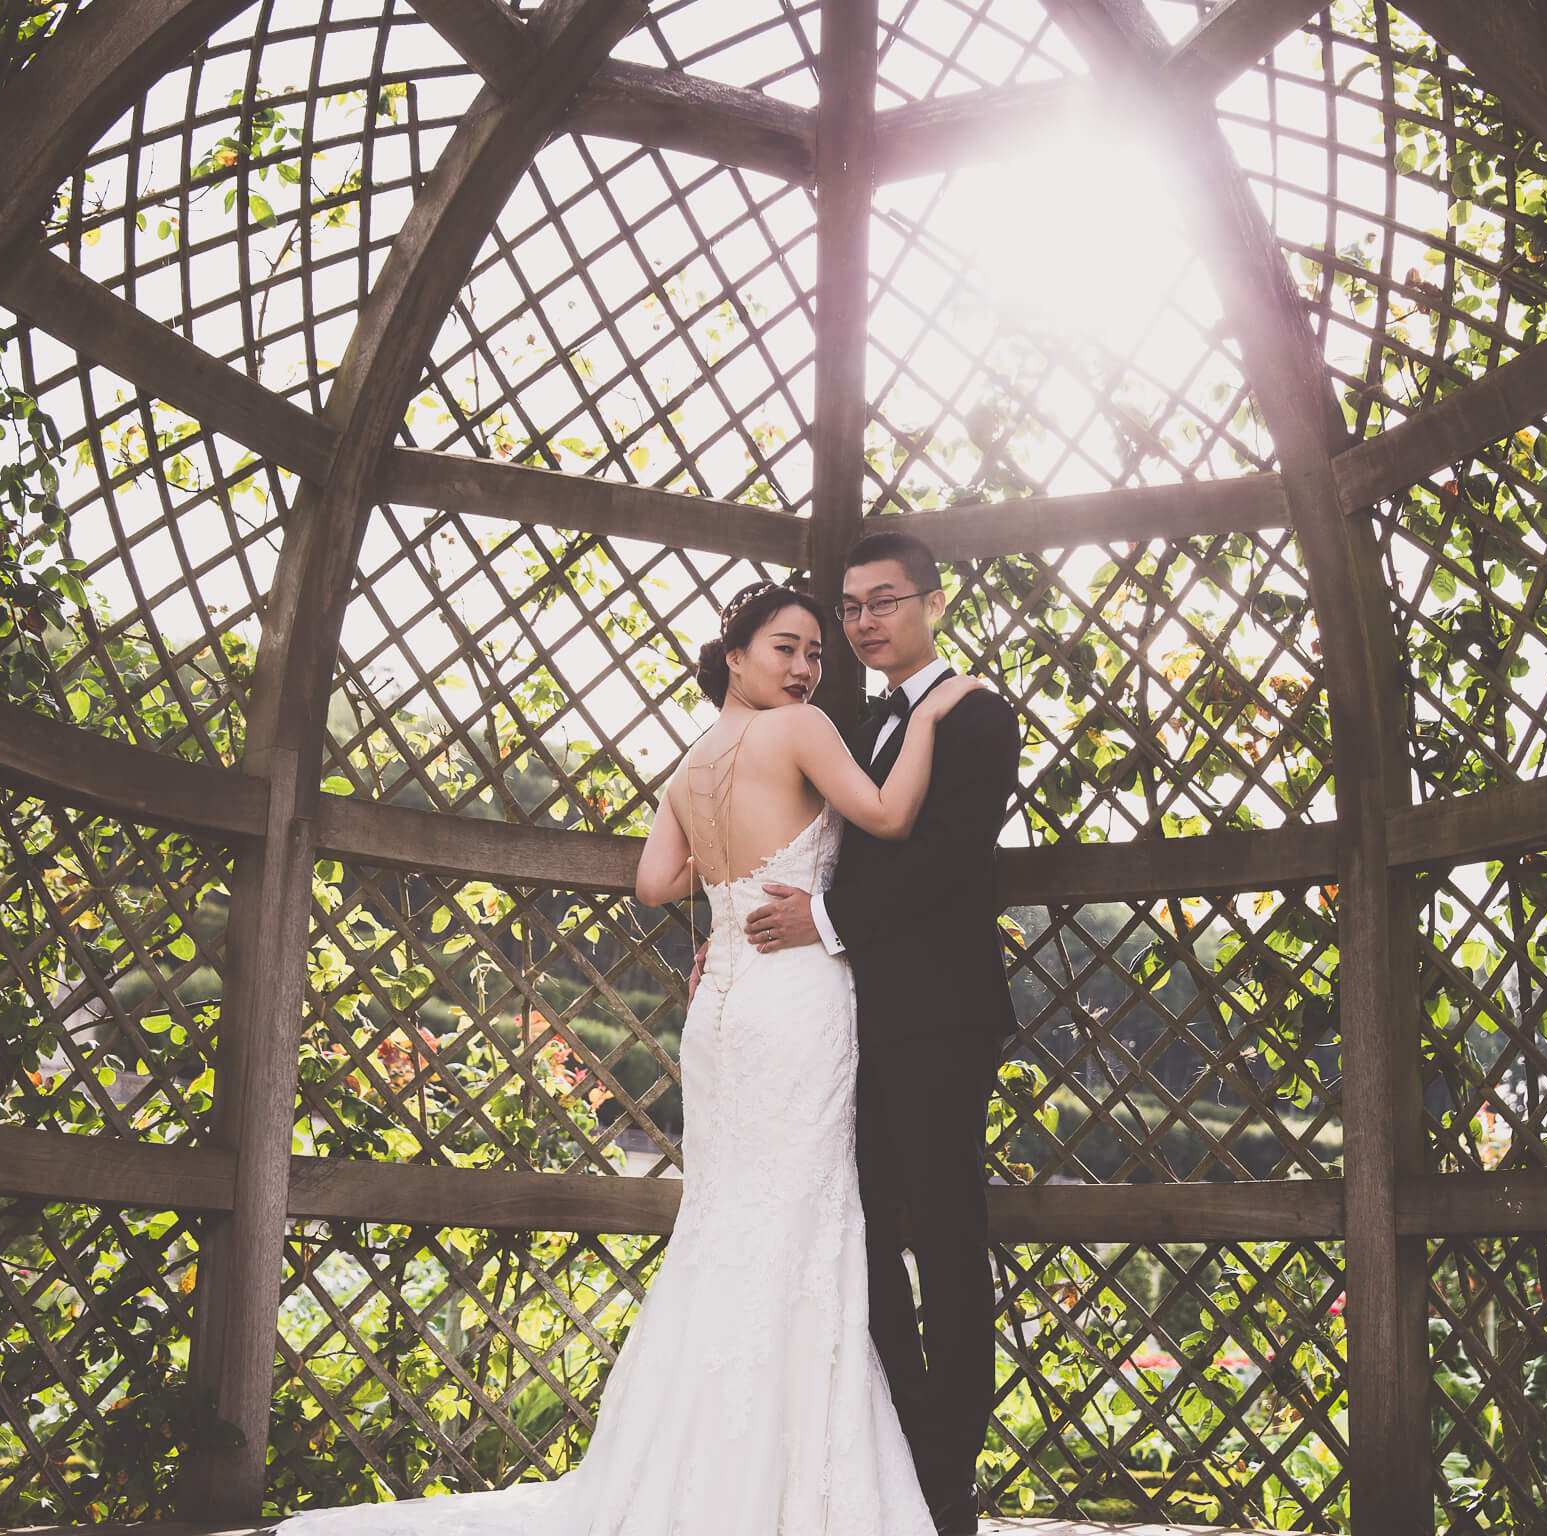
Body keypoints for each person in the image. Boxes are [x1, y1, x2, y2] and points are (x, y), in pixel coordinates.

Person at [269, 579, 984, 1536]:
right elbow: (892, 817)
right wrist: (934, 712)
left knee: (729, 1221)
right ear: (735, 655)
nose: (808, 668)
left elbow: (655, 885)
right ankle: (789, 1469)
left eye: (815, 652)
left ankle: (690, 1459)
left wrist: (728, 886)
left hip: (723, 1005)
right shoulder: (804, 732)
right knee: (802, 1216)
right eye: (787, 648)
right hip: (795, 994)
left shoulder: (690, 763)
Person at [740, 532, 1022, 1535]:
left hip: (940, 1019)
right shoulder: (847, 725)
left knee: (946, 1237)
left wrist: (822, 924)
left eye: (884, 601)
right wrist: (732, 941)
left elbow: (949, 859)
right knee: (852, 1238)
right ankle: (901, 1445)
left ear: (933, 603)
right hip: (845, 1029)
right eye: (851, 606)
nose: (864, 621)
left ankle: (951, 1472)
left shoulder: (979, 714)